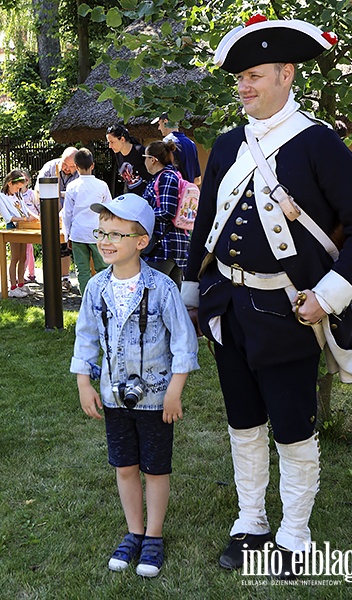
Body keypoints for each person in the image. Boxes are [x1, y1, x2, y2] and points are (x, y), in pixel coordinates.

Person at [181, 16, 352, 578]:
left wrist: (329, 295)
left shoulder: (318, 143)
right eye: (239, 78)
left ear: (286, 75)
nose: (243, 87)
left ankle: (295, 533)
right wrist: (195, 293)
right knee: (242, 421)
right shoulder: (227, 144)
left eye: (253, 76)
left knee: (293, 425)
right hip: (228, 306)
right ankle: (251, 522)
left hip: (290, 311)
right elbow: (206, 228)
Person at [70, 193, 199, 577]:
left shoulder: (162, 289)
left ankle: (154, 537)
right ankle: (134, 532)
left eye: (116, 234)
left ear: (141, 242)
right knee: (125, 467)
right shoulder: (95, 288)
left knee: (156, 469)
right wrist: (84, 382)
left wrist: (175, 390)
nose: (105, 241)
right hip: (113, 398)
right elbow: (86, 338)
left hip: (156, 400)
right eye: (101, 232)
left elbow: (183, 344)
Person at [62, 148, 112, 295]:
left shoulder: (72, 186)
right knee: (102, 267)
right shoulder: (102, 185)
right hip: (97, 232)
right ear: (93, 165)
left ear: (76, 167)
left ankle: (86, 300)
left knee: (82, 270)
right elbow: (108, 210)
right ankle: (103, 298)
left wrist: (67, 236)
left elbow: (67, 213)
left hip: (78, 233)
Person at [142, 140, 190, 289]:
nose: (144, 161)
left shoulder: (166, 177)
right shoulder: (168, 176)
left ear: (153, 159)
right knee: (172, 296)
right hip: (171, 245)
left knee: (152, 292)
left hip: (165, 247)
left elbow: (168, 211)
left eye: (145, 157)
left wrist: (145, 214)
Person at [34, 147, 79, 291]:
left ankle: (65, 279)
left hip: (68, 217)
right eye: (65, 165)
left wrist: (65, 213)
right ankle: (50, 280)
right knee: (50, 247)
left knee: (64, 248)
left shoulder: (79, 173)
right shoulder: (50, 167)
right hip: (48, 214)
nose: (67, 169)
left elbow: (78, 197)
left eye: (72, 166)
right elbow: (38, 190)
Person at [0, 170, 38, 297]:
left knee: (23, 257)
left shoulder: (18, 195)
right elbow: (8, 217)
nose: (18, 190)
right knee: (15, 257)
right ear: (10, 183)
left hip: (23, 227)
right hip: (13, 228)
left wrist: (36, 217)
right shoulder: (2, 197)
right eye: (16, 188)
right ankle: (12, 287)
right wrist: (25, 219)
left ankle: (21, 284)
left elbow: (25, 209)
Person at [151, 112, 202, 185]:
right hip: (188, 192)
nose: (158, 128)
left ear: (165, 121)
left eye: (159, 124)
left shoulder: (166, 142)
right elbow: (197, 179)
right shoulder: (191, 144)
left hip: (173, 191)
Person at [106, 124, 149, 196]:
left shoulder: (140, 151)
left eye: (112, 142)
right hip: (129, 196)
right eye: (108, 143)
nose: (110, 146)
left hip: (145, 196)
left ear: (122, 139)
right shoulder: (118, 154)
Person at [21, 169, 40, 284]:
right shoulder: (15, 195)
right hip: (21, 225)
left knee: (28, 250)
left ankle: (26, 274)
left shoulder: (31, 194)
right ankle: (30, 274)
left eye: (24, 179)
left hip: (32, 225)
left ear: (28, 181)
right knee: (27, 250)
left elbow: (38, 207)